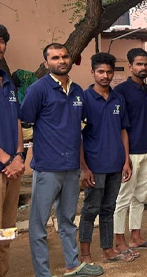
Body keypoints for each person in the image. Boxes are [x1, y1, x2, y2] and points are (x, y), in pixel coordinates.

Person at [22, 43, 103, 277]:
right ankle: (43, 273)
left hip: (71, 168)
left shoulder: (77, 91)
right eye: (55, 57)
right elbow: (25, 126)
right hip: (47, 168)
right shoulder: (38, 90)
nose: (62, 60)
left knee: (67, 219)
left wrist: (83, 166)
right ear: (46, 63)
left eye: (65, 56)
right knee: (38, 225)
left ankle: (72, 265)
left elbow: (79, 129)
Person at [79, 53, 134, 263]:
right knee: (90, 209)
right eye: (100, 71)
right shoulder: (84, 99)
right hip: (94, 165)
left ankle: (108, 249)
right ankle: (85, 253)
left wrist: (126, 160)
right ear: (92, 72)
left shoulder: (118, 98)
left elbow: (123, 131)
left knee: (108, 208)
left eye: (109, 72)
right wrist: (84, 167)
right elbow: (78, 135)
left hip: (115, 164)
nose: (105, 75)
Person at [113, 48, 147, 250]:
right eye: (139, 64)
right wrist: (124, 158)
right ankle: (119, 240)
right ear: (130, 66)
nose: (143, 67)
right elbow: (119, 127)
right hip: (129, 153)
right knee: (123, 197)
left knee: (140, 196)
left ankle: (136, 236)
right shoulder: (120, 92)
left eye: (146, 64)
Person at [0, 25, 26, 277]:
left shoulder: (8, 83)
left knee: (6, 228)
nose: (0, 46)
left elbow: (17, 120)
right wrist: (6, 159)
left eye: (2, 41)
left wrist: (18, 155)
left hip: (12, 170)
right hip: (4, 166)